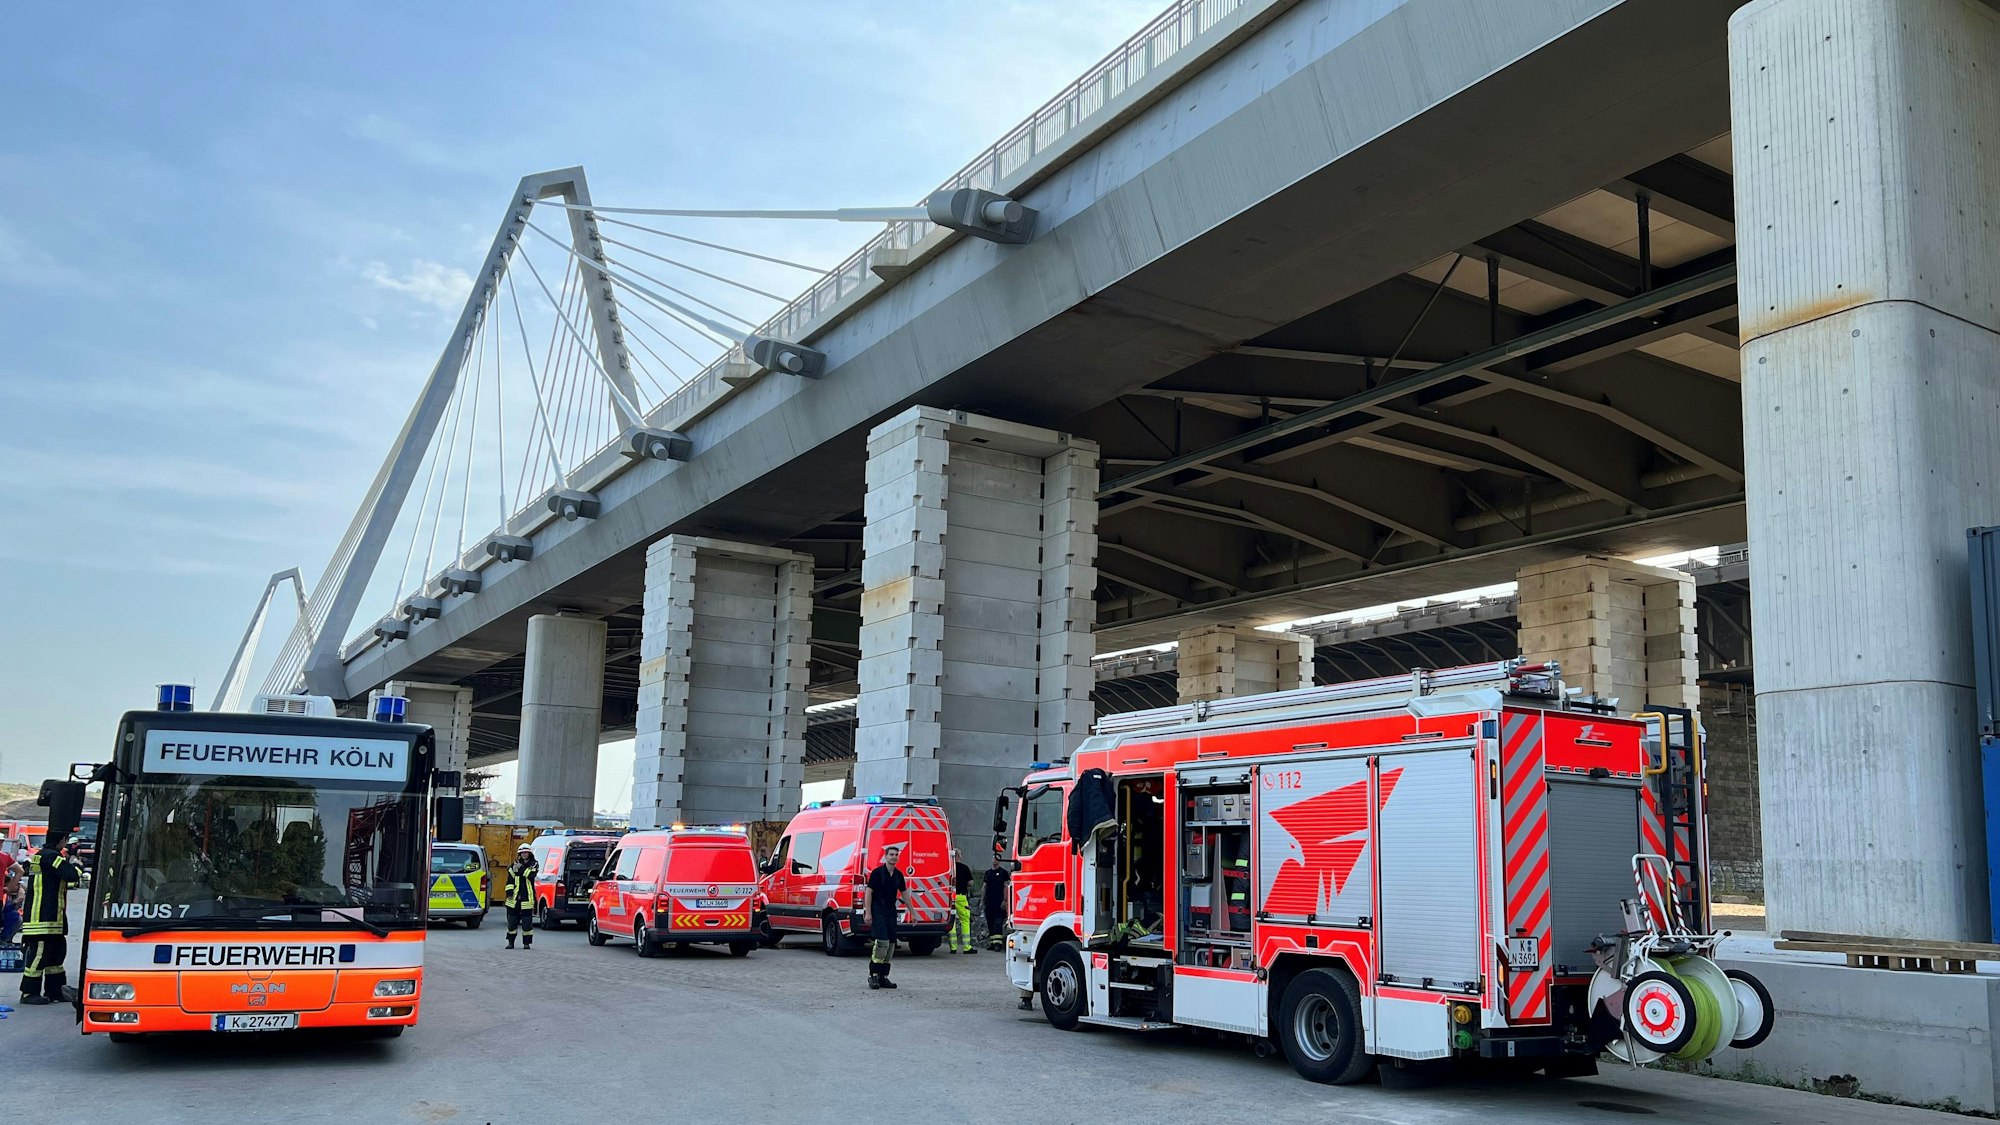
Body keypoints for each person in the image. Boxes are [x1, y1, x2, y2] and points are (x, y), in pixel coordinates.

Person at [18, 833, 81, 1005]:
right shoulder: (52, 856)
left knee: (56, 954)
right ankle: (28, 992)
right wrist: (75, 864)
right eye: (65, 839)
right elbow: (71, 875)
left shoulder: (41, 855)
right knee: (39, 955)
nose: (66, 843)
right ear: (60, 840)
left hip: (51, 918)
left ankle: (55, 990)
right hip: (43, 919)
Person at [863, 843, 905, 990]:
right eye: (891, 854)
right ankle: (873, 975)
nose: (894, 857)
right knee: (882, 943)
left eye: (896, 855)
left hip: (890, 912)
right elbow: (869, 892)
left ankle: (883, 977)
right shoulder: (877, 873)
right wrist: (868, 913)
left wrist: (913, 912)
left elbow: (905, 894)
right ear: (885, 856)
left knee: (892, 944)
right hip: (878, 910)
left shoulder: (899, 875)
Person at [503, 845, 536, 950]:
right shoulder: (513, 866)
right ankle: (510, 942)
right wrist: (509, 892)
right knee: (512, 923)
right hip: (514, 899)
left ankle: (526, 943)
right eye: (522, 853)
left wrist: (521, 868)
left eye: (526, 852)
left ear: (529, 854)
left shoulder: (534, 864)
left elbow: (531, 875)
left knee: (527, 925)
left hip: (527, 899)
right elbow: (510, 881)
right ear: (519, 854)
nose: (524, 854)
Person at [947, 848, 975, 954]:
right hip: (961, 897)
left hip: (950, 897)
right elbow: (971, 883)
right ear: (958, 856)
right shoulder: (964, 868)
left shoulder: (949, 868)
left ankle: (953, 947)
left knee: (951, 921)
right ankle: (967, 947)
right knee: (965, 921)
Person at [983, 855, 1010, 951]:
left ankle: (998, 944)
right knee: (990, 922)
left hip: (999, 901)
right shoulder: (988, 873)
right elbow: (984, 887)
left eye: (997, 859)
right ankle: (992, 943)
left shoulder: (1004, 873)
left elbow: (1006, 887)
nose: (995, 861)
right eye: (993, 858)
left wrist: (1005, 900)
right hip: (989, 902)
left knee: (998, 922)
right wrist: (983, 900)